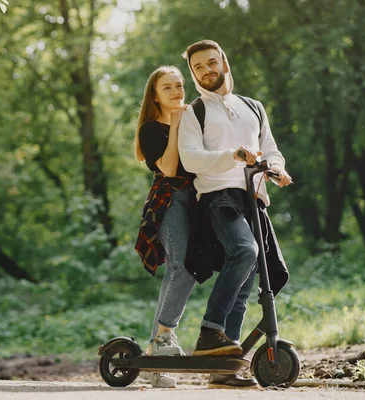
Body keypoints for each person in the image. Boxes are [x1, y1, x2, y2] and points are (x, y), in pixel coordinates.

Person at [178, 40, 292, 388]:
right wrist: (233, 155)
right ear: (194, 74)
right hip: (218, 197)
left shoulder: (253, 107)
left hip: (253, 198)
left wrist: (275, 168)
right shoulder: (193, 111)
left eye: (212, 62)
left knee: (246, 283)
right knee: (245, 251)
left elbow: (270, 149)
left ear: (224, 63)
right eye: (199, 67)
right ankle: (210, 331)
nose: (207, 70)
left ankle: (222, 370)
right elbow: (191, 159)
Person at [134, 66, 197, 388]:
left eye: (179, 86)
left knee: (180, 270)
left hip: (198, 202)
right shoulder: (150, 129)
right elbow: (170, 168)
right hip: (168, 202)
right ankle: (163, 339)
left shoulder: (193, 122)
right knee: (182, 268)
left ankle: (152, 360)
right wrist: (174, 126)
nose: (176, 92)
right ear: (154, 95)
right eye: (167, 88)